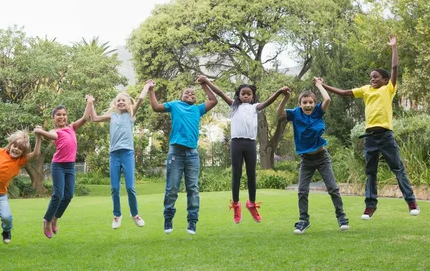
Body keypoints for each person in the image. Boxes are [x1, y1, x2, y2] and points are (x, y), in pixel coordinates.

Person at [320, 35, 419, 219]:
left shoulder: (388, 88)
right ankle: (370, 206)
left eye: (376, 77)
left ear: (385, 79)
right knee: (370, 172)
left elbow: (395, 68)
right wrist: (321, 84)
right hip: (370, 137)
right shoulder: (365, 90)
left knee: (397, 169)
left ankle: (411, 202)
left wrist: (394, 47)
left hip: (386, 136)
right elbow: (344, 93)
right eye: (371, 77)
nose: (372, 79)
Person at [197, 76, 289, 224]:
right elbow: (220, 93)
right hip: (236, 143)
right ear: (238, 96)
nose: (245, 96)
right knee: (237, 174)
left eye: (248, 94)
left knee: (251, 174)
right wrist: (206, 82)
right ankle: (236, 205)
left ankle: (251, 204)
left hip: (250, 143)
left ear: (252, 97)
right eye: (243, 94)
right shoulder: (234, 106)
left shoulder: (255, 107)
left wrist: (279, 92)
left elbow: (268, 102)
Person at [277, 79, 349, 234]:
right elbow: (279, 113)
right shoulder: (295, 113)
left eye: (310, 102)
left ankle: (341, 217)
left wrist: (319, 85)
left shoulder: (318, 111)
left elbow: (327, 99)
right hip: (306, 160)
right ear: (300, 104)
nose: (308, 105)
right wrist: (285, 97)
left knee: (333, 188)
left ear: (314, 103)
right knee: (302, 190)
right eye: (304, 102)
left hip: (322, 157)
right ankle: (304, 221)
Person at [148, 77, 218, 235]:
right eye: (187, 93)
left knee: (193, 188)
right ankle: (168, 218)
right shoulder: (174, 105)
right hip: (176, 153)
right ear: (181, 96)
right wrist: (151, 90)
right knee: (172, 188)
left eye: (193, 94)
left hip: (192, 154)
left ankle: (192, 222)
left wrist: (204, 84)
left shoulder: (198, 109)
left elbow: (213, 100)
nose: (190, 95)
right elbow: (155, 107)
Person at [88, 82, 152, 229]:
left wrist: (146, 87)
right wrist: (90, 103)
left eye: (124, 100)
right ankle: (117, 215)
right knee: (115, 188)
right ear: (115, 104)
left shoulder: (131, 115)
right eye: (119, 100)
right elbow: (95, 118)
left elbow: (141, 99)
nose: (121, 102)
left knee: (130, 187)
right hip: (114, 155)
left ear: (129, 103)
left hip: (128, 154)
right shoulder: (112, 116)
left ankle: (135, 214)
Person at [0, 122, 42, 244]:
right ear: (10, 145)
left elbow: (36, 153)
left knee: (6, 218)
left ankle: (6, 230)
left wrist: (38, 136)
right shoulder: (1, 152)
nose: (16, 149)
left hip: (0, 196)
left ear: (23, 152)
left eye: (20, 149)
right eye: (15, 146)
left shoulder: (21, 161)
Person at [34, 99, 93, 239]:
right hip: (58, 166)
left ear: (67, 116)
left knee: (69, 195)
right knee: (58, 194)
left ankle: (55, 218)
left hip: (70, 166)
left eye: (64, 114)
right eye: (58, 115)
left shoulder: (72, 127)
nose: (62, 117)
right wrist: (40, 131)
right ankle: (47, 220)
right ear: (54, 118)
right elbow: (52, 135)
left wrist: (89, 102)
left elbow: (85, 118)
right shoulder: (54, 131)